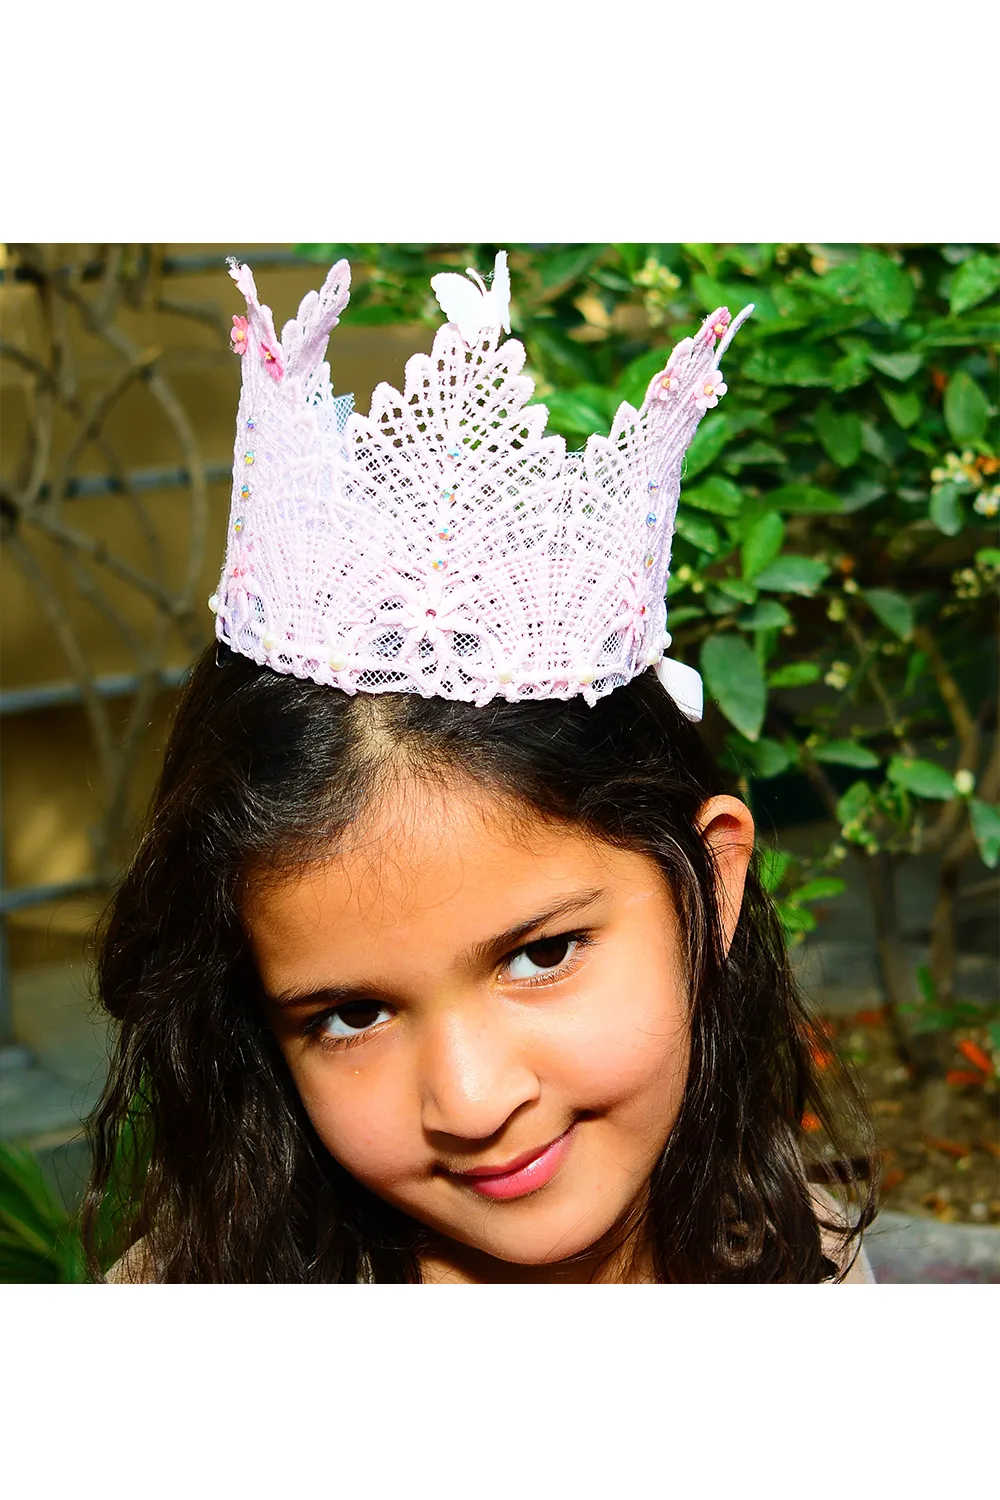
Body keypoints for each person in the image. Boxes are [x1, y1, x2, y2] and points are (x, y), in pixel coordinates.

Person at [84, 250, 877, 1283]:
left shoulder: (797, 1256)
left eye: (541, 954)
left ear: (712, 885)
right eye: (350, 1014)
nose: (469, 1102)